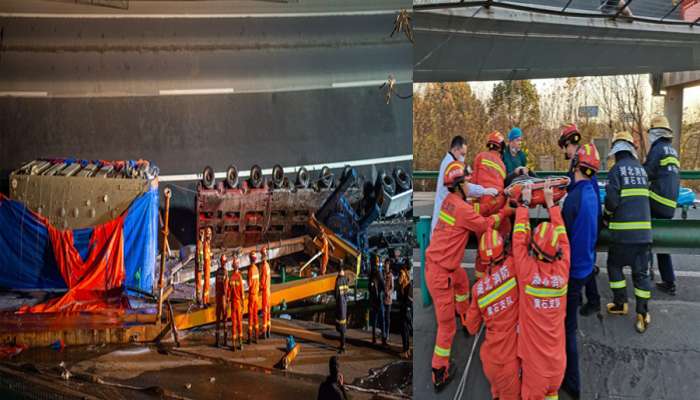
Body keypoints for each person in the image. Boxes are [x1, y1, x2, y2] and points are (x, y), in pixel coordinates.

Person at [425, 160, 511, 392]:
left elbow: (472, 213)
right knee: (445, 328)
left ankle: (464, 316)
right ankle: (439, 371)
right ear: (458, 185)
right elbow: (484, 225)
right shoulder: (461, 208)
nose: (470, 183)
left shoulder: (450, 202)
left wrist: (493, 202)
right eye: (466, 181)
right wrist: (505, 210)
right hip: (441, 275)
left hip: (444, 268)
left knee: (463, 282)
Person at [514, 181, 570, 400]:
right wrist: (551, 205)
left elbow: (518, 241)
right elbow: (564, 240)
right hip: (557, 365)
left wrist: (524, 204)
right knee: (552, 394)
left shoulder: (527, 273)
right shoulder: (562, 271)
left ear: (534, 250)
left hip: (534, 370)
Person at [561, 143, 601, 399]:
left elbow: (561, 236)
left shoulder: (573, 199)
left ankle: (571, 382)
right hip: (586, 264)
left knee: (567, 328)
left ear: (576, 166)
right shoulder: (591, 193)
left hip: (572, 272)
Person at [604, 131, 653, 333]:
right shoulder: (641, 171)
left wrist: (606, 214)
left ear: (616, 151)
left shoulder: (616, 170)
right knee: (641, 274)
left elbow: (613, 202)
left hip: (623, 236)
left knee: (614, 266)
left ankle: (620, 303)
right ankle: (642, 313)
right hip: (644, 235)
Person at [465, 228, 520, 400]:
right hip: (509, 360)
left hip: (490, 361)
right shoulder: (513, 268)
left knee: (496, 392)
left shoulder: (478, 290)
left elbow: (472, 328)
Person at [558, 124, 602, 317]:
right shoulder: (583, 159)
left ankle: (588, 301)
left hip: (587, 218)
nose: (564, 151)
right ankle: (592, 300)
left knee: (582, 261)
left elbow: (578, 189)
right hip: (591, 217)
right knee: (587, 261)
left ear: (569, 143)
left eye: (564, 146)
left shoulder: (581, 162)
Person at [644, 116, 680, 296]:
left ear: (655, 133)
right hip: (669, 204)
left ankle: (645, 272)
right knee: (663, 242)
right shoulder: (672, 151)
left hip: (656, 200)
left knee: (644, 233)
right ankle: (669, 281)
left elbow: (646, 173)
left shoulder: (657, 149)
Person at [431, 135, 495, 233]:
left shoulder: (449, 163)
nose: (463, 158)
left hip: (444, 219)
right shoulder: (451, 166)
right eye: (462, 154)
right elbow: (465, 187)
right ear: (455, 149)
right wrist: (483, 190)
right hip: (445, 222)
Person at [471, 130, 512, 278]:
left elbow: (473, 186)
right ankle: (499, 279)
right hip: (497, 209)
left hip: (480, 212)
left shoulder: (480, 157)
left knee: (483, 248)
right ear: (501, 148)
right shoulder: (502, 165)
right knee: (500, 245)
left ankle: (480, 283)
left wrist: (475, 209)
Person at [368, 255, 385, 344]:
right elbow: (383, 286)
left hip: (374, 300)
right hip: (380, 300)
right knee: (382, 320)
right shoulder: (379, 273)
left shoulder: (371, 273)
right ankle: (383, 338)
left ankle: (374, 338)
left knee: (374, 320)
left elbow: (369, 288)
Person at [229, 255, 244, 351]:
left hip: (232, 303)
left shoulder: (231, 278)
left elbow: (229, 291)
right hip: (238, 303)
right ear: (237, 266)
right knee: (239, 323)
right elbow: (242, 292)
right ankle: (241, 343)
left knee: (233, 323)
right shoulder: (239, 277)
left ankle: (233, 344)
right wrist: (243, 303)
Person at [397, 264, 413, 359]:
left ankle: (405, 351)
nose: (399, 278)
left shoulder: (407, 285)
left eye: (400, 276)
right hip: (406, 310)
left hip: (405, 311)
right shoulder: (406, 284)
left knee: (404, 331)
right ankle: (407, 350)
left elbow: (408, 301)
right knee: (405, 331)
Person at [214, 254, 229, 347]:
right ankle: (225, 340)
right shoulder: (225, 272)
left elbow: (216, 285)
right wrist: (227, 298)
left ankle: (217, 341)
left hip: (218, 296)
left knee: (218, 320)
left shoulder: (217, 272)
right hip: (223, 297)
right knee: (225, 319)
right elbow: (226, 287)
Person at [334, 268, 350, 354]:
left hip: (339, 306)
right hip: (344, 305)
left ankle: (343, 346)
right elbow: (347, 293)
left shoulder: (338, 280)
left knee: (341, 326)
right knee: (343, 325)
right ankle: (342, 344)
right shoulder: (345, 280)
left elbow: (336, 295)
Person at [247, 250, 261, 344]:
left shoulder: (251, 270)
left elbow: (249, 284)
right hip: (256, 295)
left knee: (250, 317)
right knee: (256, 316)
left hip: (252, 295)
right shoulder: (256, 269)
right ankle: (256, 336)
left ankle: (250, 337)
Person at [260, 246, 272, 339]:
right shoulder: (268, 266)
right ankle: (268, 330)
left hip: (264, 291)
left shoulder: (264, 267)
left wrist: (258, 288)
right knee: (268, 311)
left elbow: (263, 281)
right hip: (268, 290)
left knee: (264, 311)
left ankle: (264, 332)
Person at [382, 259, 394, 346]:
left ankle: (387, 334)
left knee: (387, 318)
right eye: (385, 265)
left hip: (388, 300)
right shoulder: (382, 274)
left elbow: (392, 287)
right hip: (382, 299)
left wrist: (388, 293)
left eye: (387, 265)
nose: (386, 266)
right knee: (382, 317)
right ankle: (384, 334)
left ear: (389, 266)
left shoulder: (391, 275)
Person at [203, 227, 213, 305]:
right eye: (208, 233)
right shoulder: (205, 244)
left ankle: (207, 300)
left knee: (208, 284)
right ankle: (204, 301)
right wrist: (210, 255)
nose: (210, 235)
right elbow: (206, 256)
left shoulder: (208, 244)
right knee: (206, 283)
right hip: (206, 266)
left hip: (208, 265)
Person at [195, 228, 205, 305]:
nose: (202, 235)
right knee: (198, 283)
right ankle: (198, 299)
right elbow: (199, 256)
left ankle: (199, 298)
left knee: (199, 283)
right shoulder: (199, 244)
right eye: (201, 233)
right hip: (199, 266)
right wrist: (200, 266)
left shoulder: (201, 243)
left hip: (199, 266)